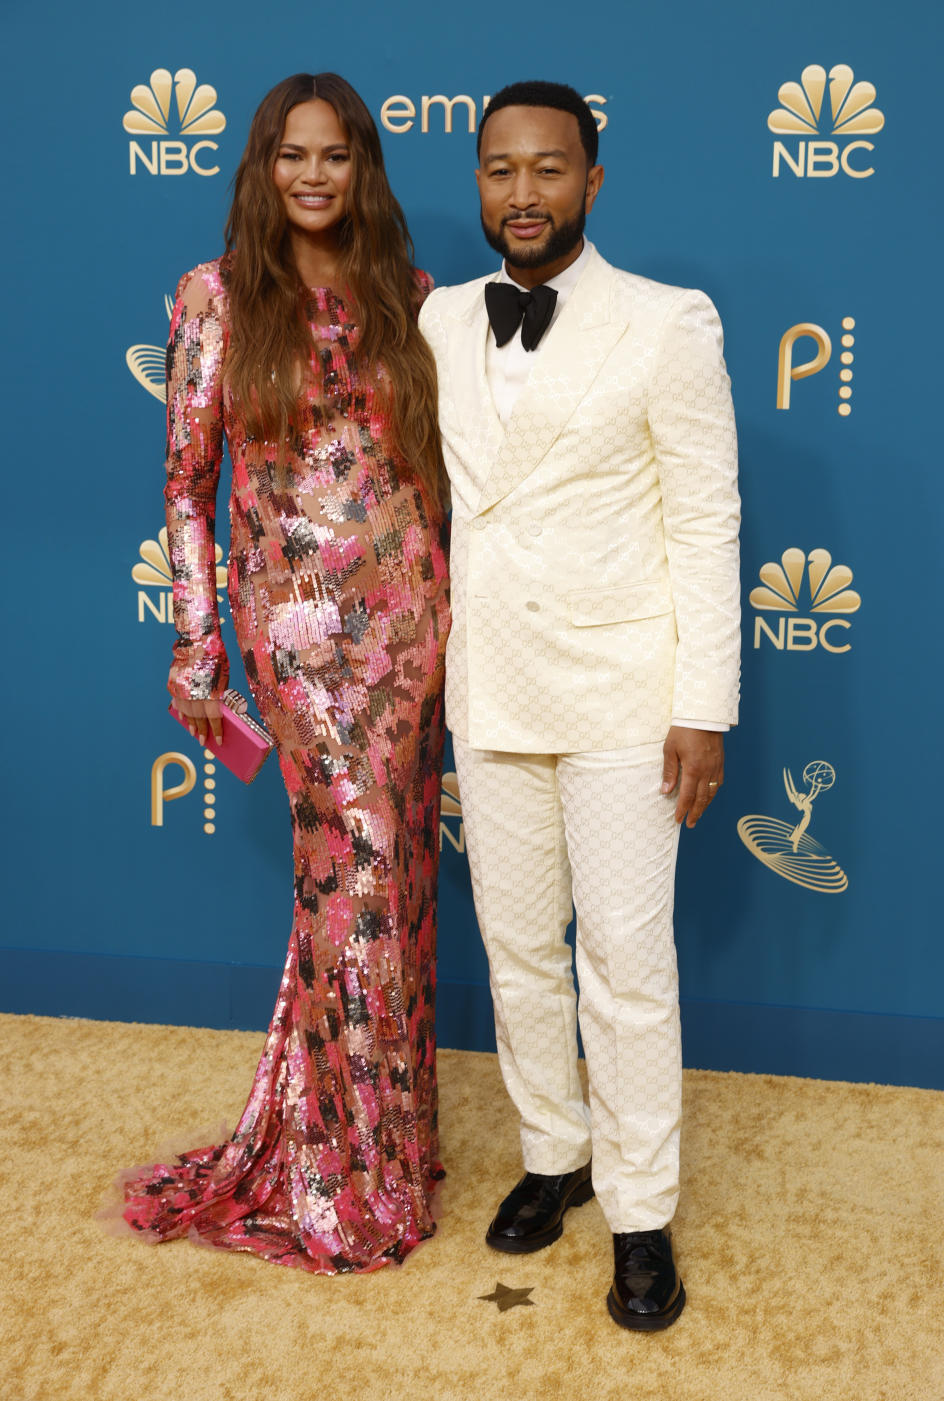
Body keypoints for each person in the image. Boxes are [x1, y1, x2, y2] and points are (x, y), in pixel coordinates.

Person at [418, 80, 740, 1328]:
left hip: (622, 696)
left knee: (626, 963)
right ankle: (555, 1155)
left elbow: (707, 519)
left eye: (549, 170)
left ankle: (641, 1207)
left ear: (592, 183)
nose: (523, 194)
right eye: (501, 170)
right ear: (481, 182)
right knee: (515, 953)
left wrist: (701, 705)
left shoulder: (668, 323)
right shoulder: (442, 319)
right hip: (489, 688)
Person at [120, 73, 451, 1274]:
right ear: (262, 169)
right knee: (350, 870)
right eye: (292, 155)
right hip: (297, 635)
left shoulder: (406, 296)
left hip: (408, 618)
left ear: (365, 168)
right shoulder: (213, 300)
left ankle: (388, 1153)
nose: (315, 176)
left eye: (338, 156)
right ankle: (333, 1174)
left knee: (399, 873)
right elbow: (186, 484)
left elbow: (421, 473)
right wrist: (199, 640)